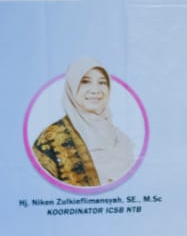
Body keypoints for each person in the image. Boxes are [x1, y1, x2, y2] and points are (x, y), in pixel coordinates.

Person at [32, 58, 136, 188]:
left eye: (102, 82)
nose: (95, 90)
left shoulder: (121, 139)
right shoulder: (51, 139)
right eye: (85, 82)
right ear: (72, 86)